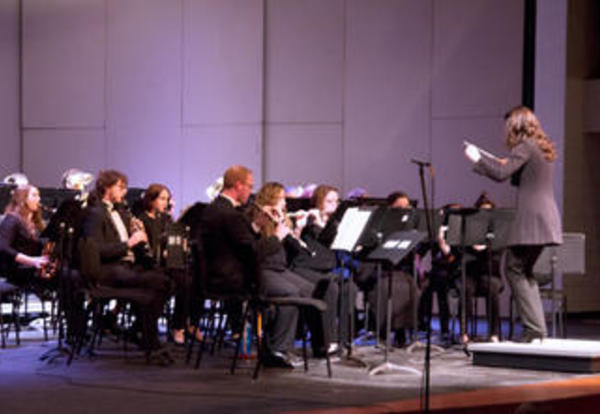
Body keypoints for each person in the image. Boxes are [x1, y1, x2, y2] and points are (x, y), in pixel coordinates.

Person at [464, 106, 562, 342]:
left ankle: (535, 329)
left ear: (516, 126)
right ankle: (537, 330)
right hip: (546, 217)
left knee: (514, 269)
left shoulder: (526, 146)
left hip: (533, 218)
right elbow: (522, 177)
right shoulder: (540, 146)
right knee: (524, 271)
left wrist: (477, 160)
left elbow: (500, 175)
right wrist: (507, 163)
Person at [200, 166, 300, 368]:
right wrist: (276, 237)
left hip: (219, 275)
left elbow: (240, 243)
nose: (251, 192)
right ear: (238, 186)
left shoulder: (217, 208)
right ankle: (274, 350)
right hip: (232, 278)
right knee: (289, 293)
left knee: (288, 289)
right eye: (249, 187)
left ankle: (271, 347)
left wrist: (257, 225)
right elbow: (253, 252)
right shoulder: (231, 214)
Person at [80, 170, 171, 354]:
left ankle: (140, 329)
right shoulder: (96, 213)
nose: (124, 192)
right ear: (106, 188)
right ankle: (147, 337)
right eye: (120, 187)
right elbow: (96, 250)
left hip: (124, 267)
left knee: (167, 280)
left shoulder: (120, 212)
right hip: (108, 270)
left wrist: (140, 238)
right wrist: (130, 242)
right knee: (158, 282)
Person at [138, 183, 199, 345]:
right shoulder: (142, 219)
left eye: (167, 199)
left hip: (168, 265)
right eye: (162, 199)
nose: (166, 203)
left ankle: (182, 325)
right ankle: (175, 326)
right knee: (181, 281)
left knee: (190, 280)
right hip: (150, 265)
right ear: (151, 200)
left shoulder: (166, 219)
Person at [0, 185, 50, 288]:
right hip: (18, 270)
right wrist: (31, 261)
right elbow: (3, 247)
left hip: (33, 269)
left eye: (39, 195)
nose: (39, 199)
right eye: (34, 195)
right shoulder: (12, 219)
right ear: (23, 199)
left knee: (69, 274)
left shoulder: (37, 222)